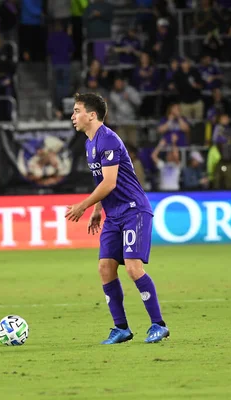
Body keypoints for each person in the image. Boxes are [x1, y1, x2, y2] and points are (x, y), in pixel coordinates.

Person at [66, 93, 169, 345]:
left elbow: (110, 182)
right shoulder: (90, 143)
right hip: (114, 215)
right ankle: (121, 328)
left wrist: (83, 204)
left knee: (133, 268)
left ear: (92, 115)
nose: (73, 115)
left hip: (134, 210)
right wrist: (98, 209)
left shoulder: (108, 140)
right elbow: (103, 182)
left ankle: (158, 325)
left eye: (77, 110)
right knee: (105, 268)